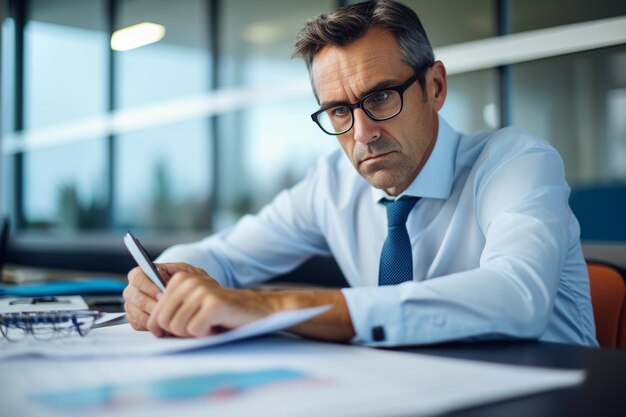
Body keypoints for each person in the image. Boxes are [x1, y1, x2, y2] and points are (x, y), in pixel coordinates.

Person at [123, 0, 598, 347]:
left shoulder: (516, 162)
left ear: (434, 86)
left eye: (381, 97)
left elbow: (516, 297)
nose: (363, 132)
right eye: (338, 111)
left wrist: (275, 307)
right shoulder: (333, 183)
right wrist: (167, 282)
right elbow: (220, 255)